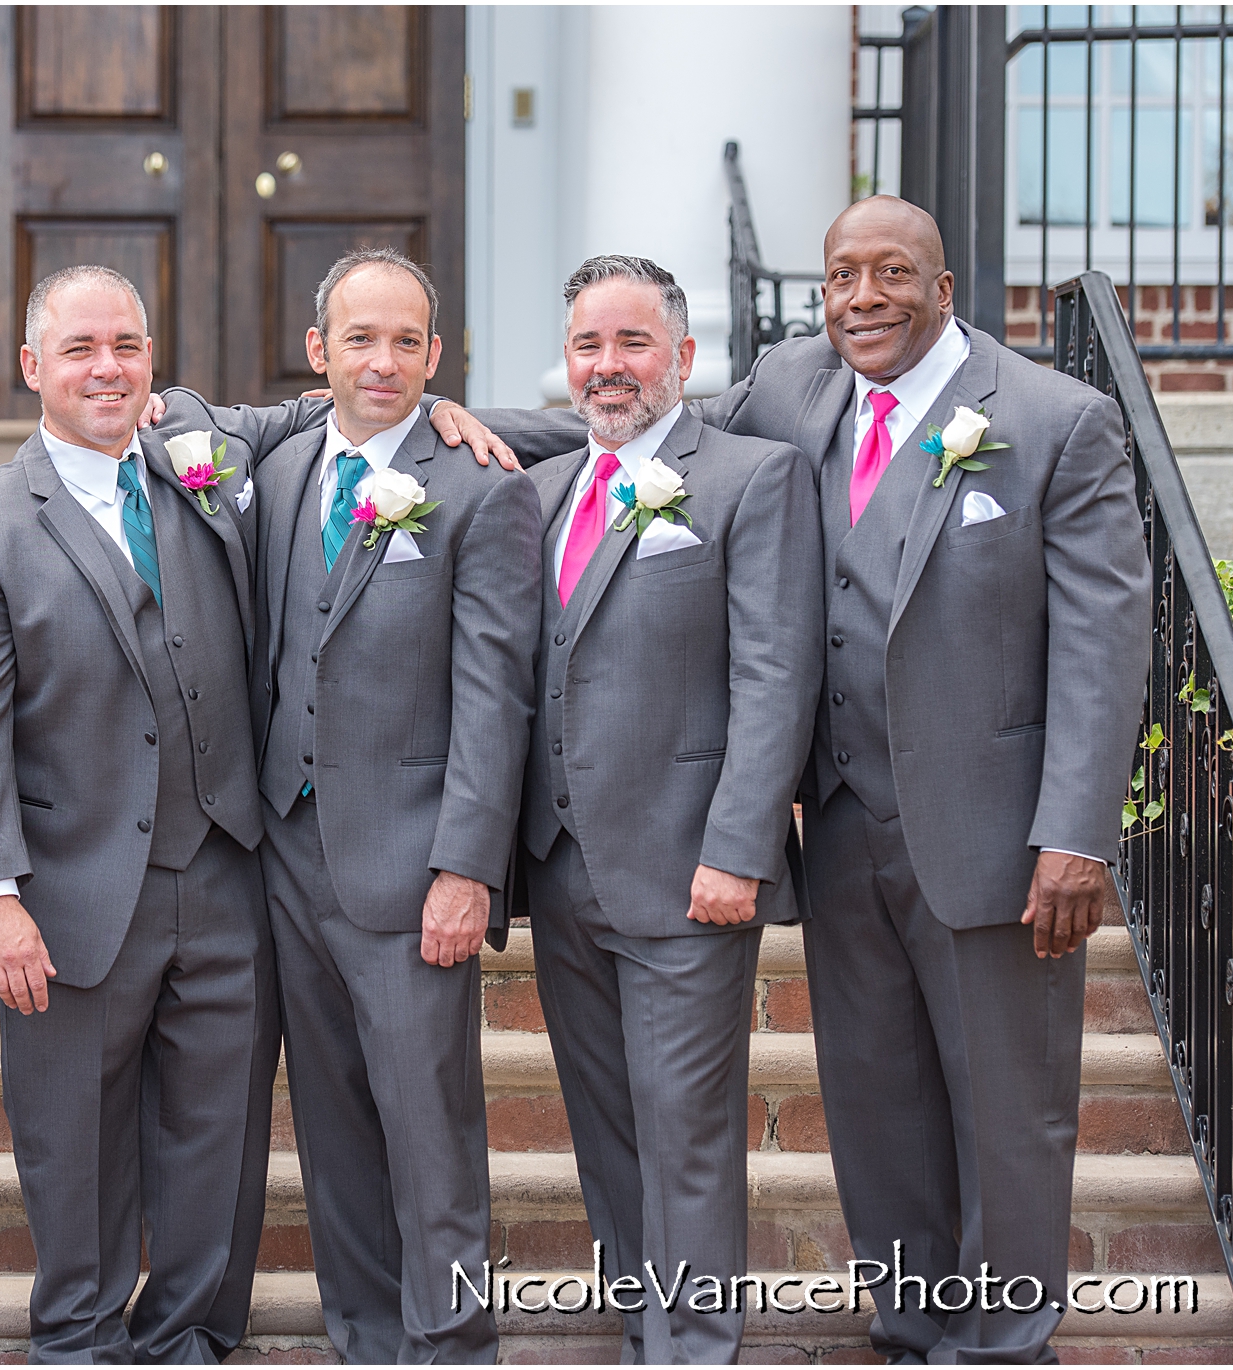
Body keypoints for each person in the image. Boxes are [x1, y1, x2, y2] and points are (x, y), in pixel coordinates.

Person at [460, 199, 1152, 1363]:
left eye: (891, 274)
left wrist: (1074, 831)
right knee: (875, 1094)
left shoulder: (1050, 421)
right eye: (841, 276)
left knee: (1003, 1105)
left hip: (989, 827)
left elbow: (1101, 640)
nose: (862, 297)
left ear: (944, 285)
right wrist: (448, 425)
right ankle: (909, 1314)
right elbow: (641, 423)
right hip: (838, 825)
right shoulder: (795, 386)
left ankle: (1003, 1336)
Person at [0, 266, 283, 1361]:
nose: (106, 366)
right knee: (71, 1142)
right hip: (68, 887)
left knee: (218, 1137)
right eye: (79, 347)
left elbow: (346, 405)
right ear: (31, 368)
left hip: (224, 869)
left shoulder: (205, 479)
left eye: (126, 343)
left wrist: (455, 412)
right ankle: (75, 1338)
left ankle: (190, 1338)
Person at [513, 255, 820, 1363]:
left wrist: (739, 845)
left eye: (632, 343)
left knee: (686, 1128)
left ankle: (695, 1341)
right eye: (588, 345)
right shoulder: (540, 491)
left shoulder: (748, 477)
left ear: (682, 358)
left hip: (689, 866)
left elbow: (774, 676)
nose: (607, 367)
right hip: (558, 865)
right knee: (603, 1123)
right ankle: (646, 1318)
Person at [252, 248, 540, 1363]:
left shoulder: (480, 489)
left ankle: (450, 1336)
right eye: (358, 338)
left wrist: (466, 866)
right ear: (317, 349)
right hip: (287, 849)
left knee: (429, 1124)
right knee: (330, 1122)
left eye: (406, 341)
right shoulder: (273, 472)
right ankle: (365, 1331)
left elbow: (494, 696)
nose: (382, 361)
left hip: (415, 858)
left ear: (436, 353)